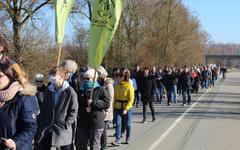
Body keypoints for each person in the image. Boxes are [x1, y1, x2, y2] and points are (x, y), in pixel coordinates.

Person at [35, 67, 79, 150]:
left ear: (61, 77)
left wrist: (66, 123)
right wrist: (42, 121)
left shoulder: (70, 92)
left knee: (65, 147)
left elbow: (73, 110)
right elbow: (44, 108)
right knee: (43, 146)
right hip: (47, 126)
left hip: (62, 127)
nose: (52, 77)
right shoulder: (48, 90)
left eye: (54, 75)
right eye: (51, 75)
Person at [0, 63, 39, 150]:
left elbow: (31, 127)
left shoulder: (24, 97)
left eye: (0, 76)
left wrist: (15, 142)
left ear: (10, 78)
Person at [76, 69, 110, 150]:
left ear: (94, 78)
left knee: (94, 146)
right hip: (83, 122)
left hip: (96, 122)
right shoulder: (80, 91)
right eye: (84, 78)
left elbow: (106, 103)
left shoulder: (100, 90)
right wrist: (84, 109)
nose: (86, 80)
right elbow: (76, 105)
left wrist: (93, 103)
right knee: (80, 145)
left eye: (88, 78)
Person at [112, 68, 134, 146]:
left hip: (127, 108)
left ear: (123, 77)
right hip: (118, 108)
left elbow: (131, 100)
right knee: (118, 123)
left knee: (128, 124)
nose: (117, 78)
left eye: (119, 77)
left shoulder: (129, 86)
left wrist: (126, 108)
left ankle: (128, 137)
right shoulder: (117, 86)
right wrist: (113, 107)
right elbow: (115, 97)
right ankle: (117, 139)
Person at [97, 66, 114, 150]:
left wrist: (106, 110)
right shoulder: (100, 83)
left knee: (103, 131)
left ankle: (104, 147)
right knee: (100, 131)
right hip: (101, 110)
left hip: (106, 113)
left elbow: (110, 99)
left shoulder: (109, 85)